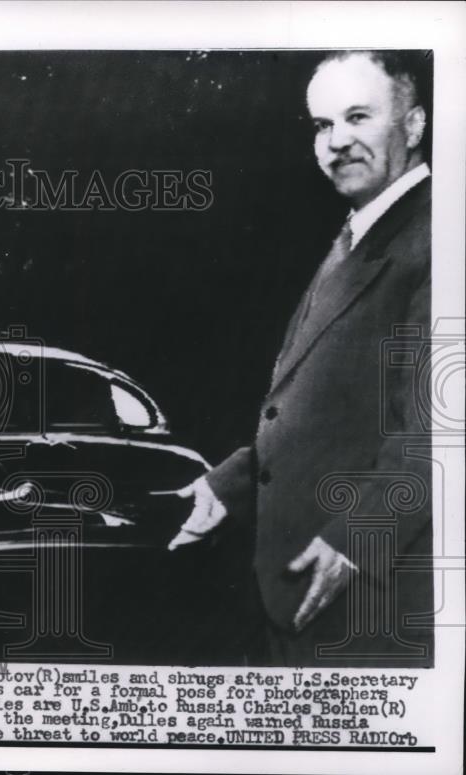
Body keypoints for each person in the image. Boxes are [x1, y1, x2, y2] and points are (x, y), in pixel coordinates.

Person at [170, 51, 432, 666]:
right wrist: (229, 483)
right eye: (321, 124)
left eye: (358, 117)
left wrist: (356, 543)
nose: (337, 142)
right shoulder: (362, 229)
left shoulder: (441, 236)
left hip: (372, 601)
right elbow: (324, 402)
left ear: (414, 126)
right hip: (306, 590)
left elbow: (441, 430)